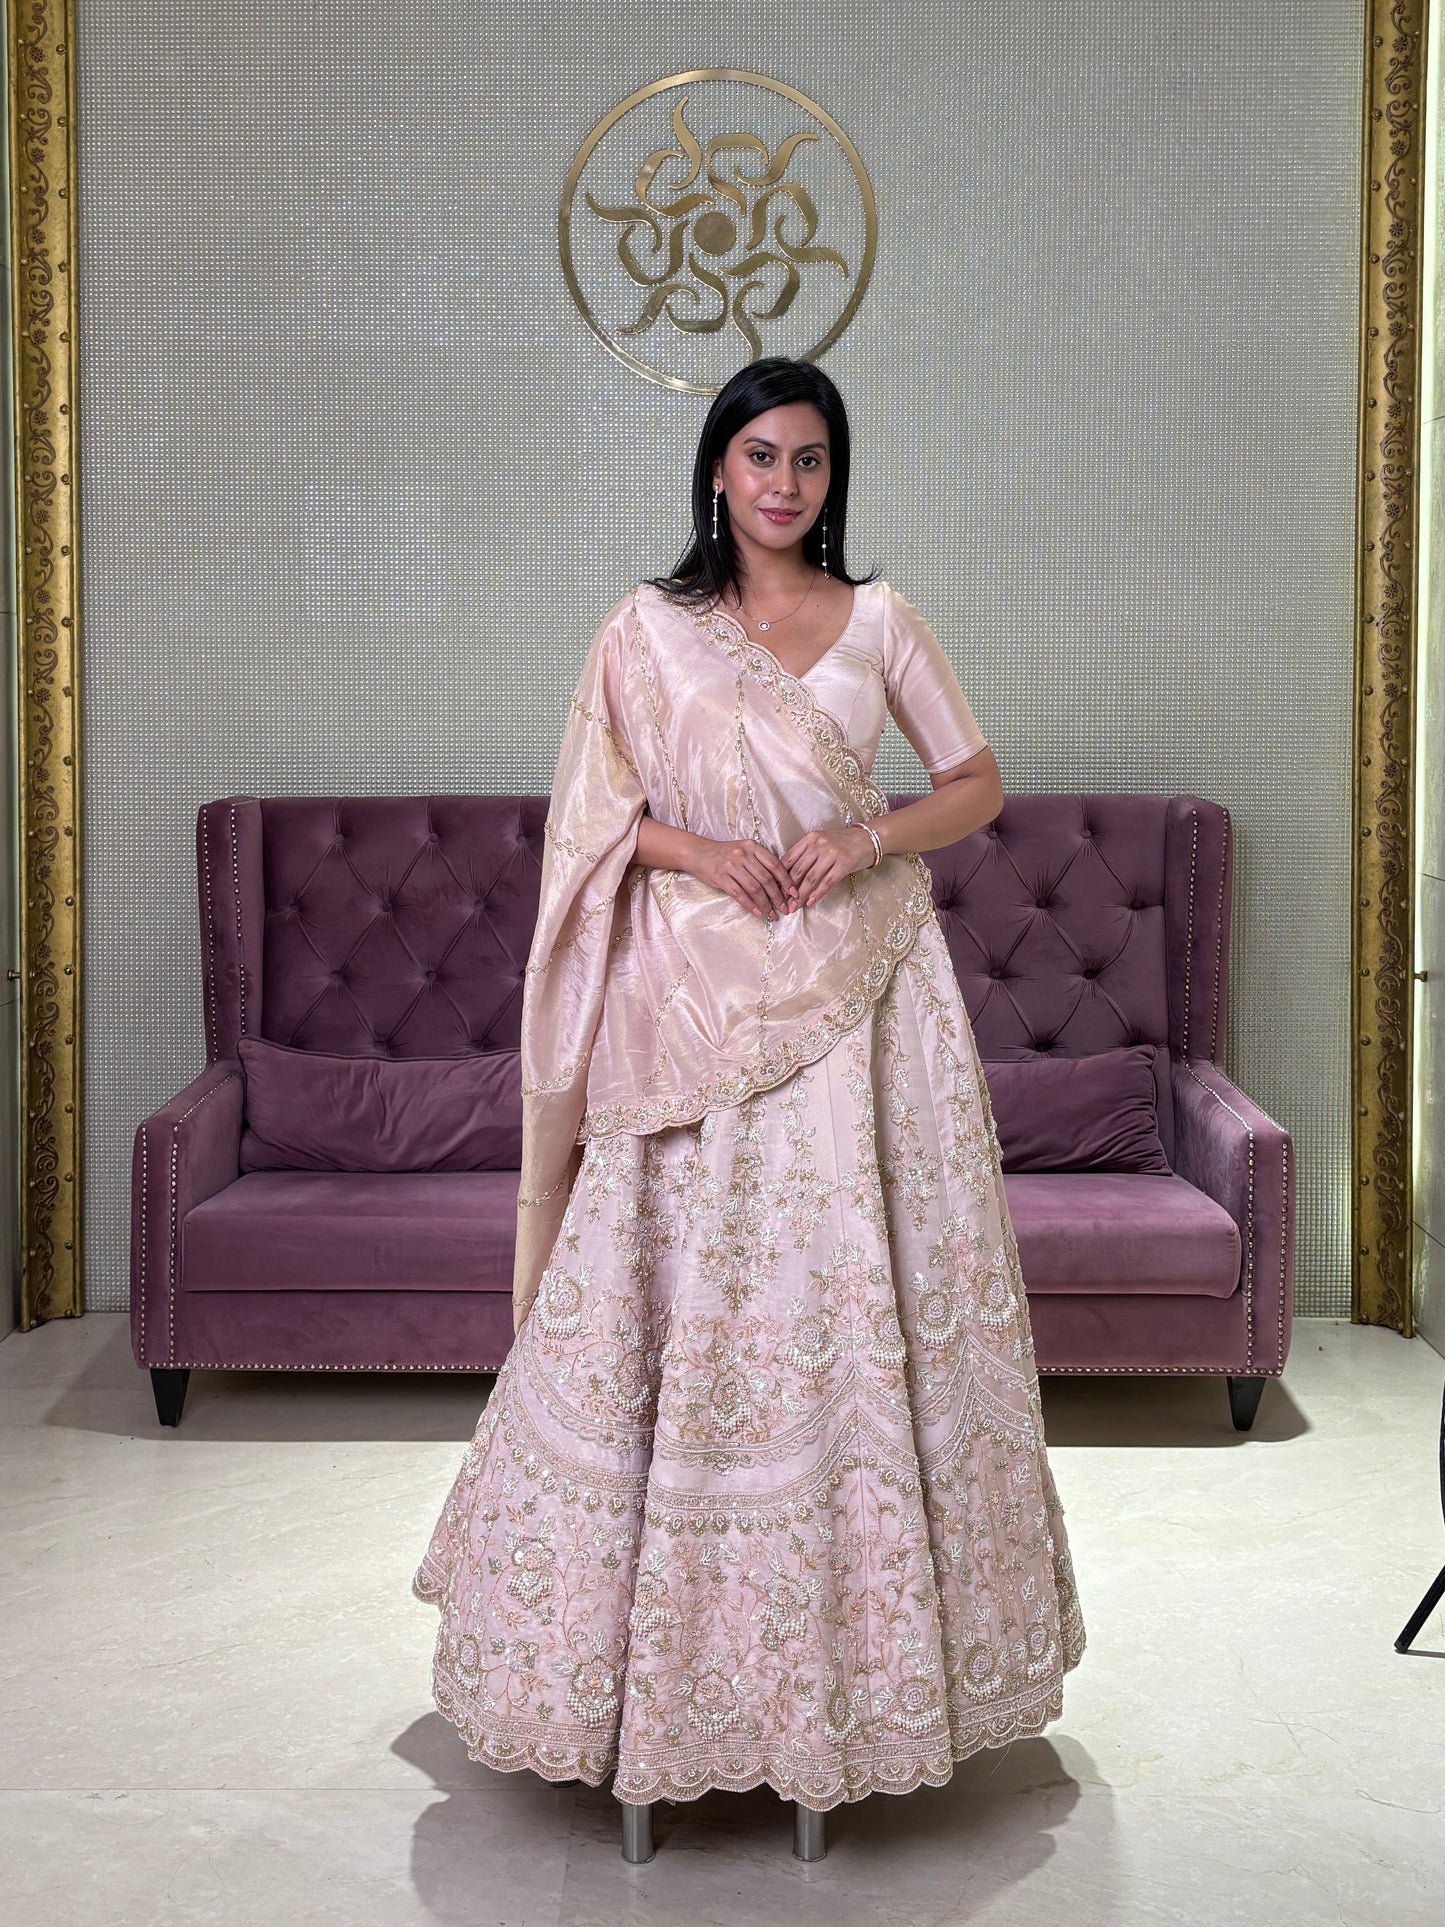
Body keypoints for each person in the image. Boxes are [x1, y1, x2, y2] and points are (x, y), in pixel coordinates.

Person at [414, 356, 1085, 1814]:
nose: (785, 485)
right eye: (761, 457)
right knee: (680, 1302)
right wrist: (701, 853)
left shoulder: (880, 620)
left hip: (859, 1000)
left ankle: (865, 1670)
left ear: (833, 480)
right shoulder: (648, 632)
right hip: (693, 1003)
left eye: (811, 462)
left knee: (848, 1304)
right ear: (716, 470)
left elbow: (973, 784)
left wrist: (865, 840)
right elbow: (594, 819)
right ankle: (632, 1669)